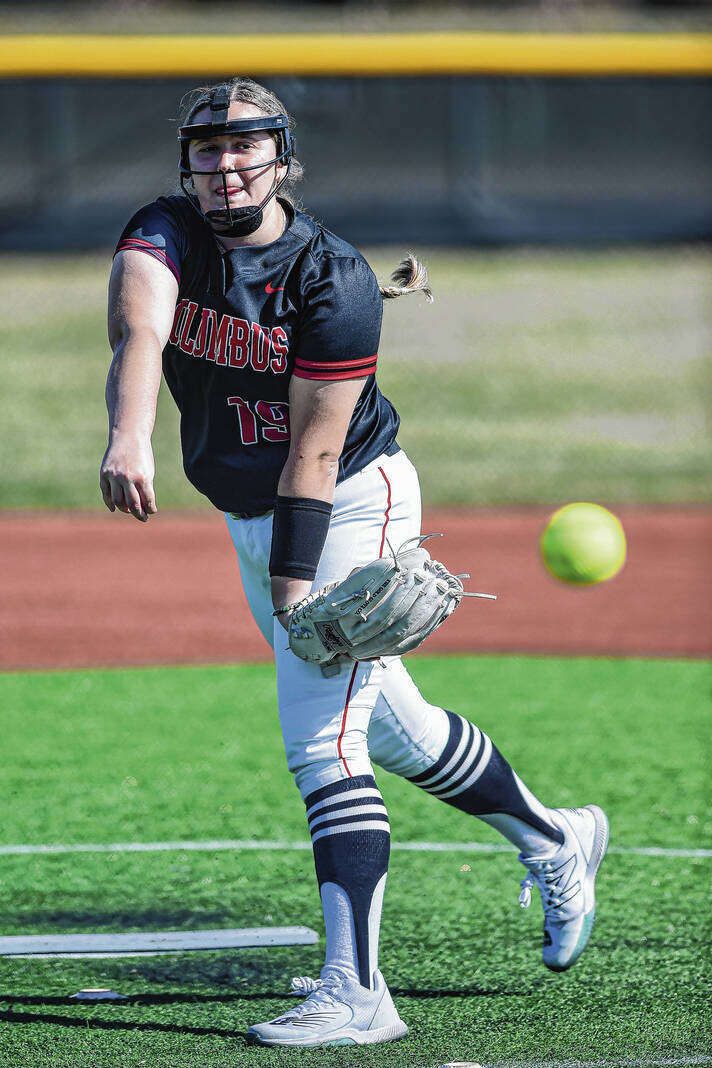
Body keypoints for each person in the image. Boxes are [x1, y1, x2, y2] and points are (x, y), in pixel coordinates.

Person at [100, 77, 609, 1049]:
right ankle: (557, 837)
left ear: (282, 159)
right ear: (186, 163)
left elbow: (317, 454)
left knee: (321, 743)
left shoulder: (332, 279)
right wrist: (129, 435)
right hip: (252, 511)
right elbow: (142, 330)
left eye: (246, 146)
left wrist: (296, 594)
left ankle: (360, 993)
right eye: (208, 148)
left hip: (346, 503)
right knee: (393, 728)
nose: (225, 165)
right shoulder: (163, 230)